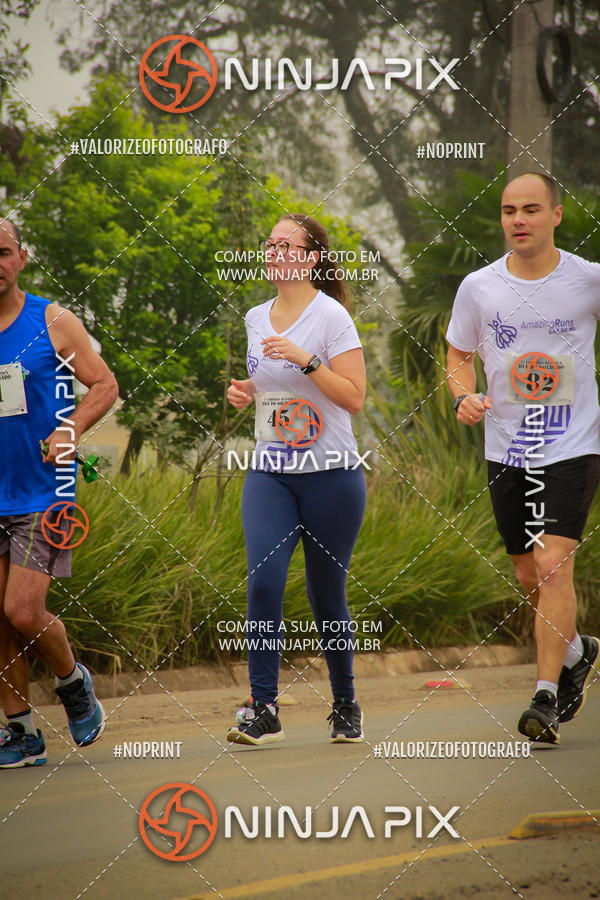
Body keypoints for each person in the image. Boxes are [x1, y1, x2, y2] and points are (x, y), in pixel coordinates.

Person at [445, 172, 600, 745]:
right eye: (510, 210)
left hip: (572, 443)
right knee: (527, 571)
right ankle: (578, 650)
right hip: (508, 447)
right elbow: (458, 353)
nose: (518, 220)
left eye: (531, 209)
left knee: (553, 562)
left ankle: (545, 694)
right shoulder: (479, 288)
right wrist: (464, 395)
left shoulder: (587, 280)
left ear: (556, 214)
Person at [225, 213, 367, 745]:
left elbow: (353, 396)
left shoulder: (332, 317)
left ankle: (346, 703)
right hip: (271, 472)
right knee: (263, 580)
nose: (274, 251)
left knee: (326, 592)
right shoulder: (255, 316)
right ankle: (264, 710)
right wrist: (246, 393)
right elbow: (269, 391)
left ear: (310, 258)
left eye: (287, 244)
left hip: (331, 475)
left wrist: (308, 361)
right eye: (269, 243)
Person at [0, 218, 118, 767]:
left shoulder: (51, 320)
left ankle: (73, 682)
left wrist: (70, 430)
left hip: (44, 495)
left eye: (2, 252)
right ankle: (20, 732)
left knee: (23, 611)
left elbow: (104, 384)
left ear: (21, 257)